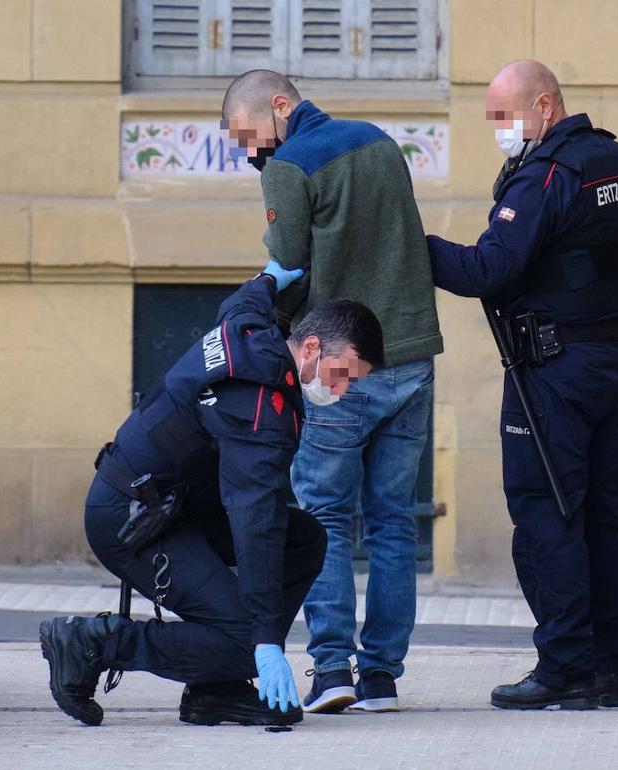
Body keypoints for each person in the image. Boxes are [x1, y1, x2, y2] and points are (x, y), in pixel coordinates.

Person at [39, 265, 384, 727]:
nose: (341, 391)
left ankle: (216, 691)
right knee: (245, 633)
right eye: (342, 375)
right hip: (131, 520)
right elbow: (255, 522)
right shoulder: (259, 414)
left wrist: (269, 277)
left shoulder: (252, 334)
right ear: (312, 347)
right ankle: (92, 642)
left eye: (352, 382)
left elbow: (241, 303)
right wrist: (265, 643)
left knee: (305, 539)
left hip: (176, 508)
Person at [426, 60, 618, 710]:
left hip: (557, 375)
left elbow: (489, 270)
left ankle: (565, 668)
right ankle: (612, 668)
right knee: (603, 516)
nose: (500, 130)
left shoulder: (547, 176)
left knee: (546, 512)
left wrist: (416, 248)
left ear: (545, 106)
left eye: (505, 116)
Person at [222, 69, 443, 713]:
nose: (251, 152)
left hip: (338, 368)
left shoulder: (289, 166)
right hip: (410, 357)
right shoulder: (378, 141)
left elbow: (288, 272)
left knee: (323, 514)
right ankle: (381, 677)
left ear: (281, 107)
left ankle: (331, 669)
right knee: (394, 521)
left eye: (249, 135)